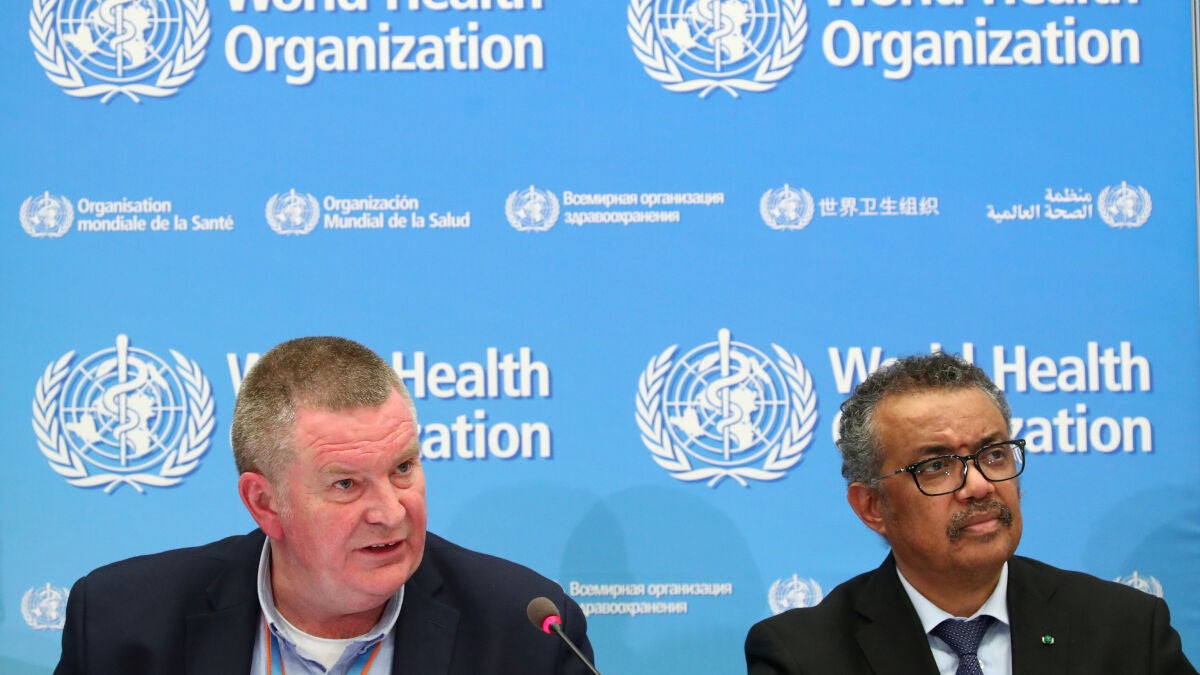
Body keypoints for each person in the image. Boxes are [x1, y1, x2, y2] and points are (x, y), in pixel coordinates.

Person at [56, 336, 593, 674]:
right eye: (346, 485)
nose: (391, 512)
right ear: (264, 503)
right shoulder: (123, 626)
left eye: (403, 468)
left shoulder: (525, 634)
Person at [745, 352, 1195, 674]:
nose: (979, 486)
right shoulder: (804, 656)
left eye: (994, 455)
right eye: (936, 466)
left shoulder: (1124, 628)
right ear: (872, 506)